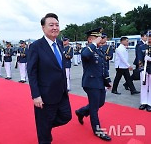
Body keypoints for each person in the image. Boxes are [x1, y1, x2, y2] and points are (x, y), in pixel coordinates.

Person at [27, 13, 72, 144]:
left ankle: (45, 127)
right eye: (51, 25)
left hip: (61, 92)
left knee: (66, 116)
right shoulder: (36, 46)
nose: (55, 27)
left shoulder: (59, 43)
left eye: (57, 25)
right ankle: (44, 131)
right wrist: (36, 95)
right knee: (44, 137)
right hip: (44, 95)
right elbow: (32, 72)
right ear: (43, 28)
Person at [75, 28, 112, 141]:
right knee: (94, 107)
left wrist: (107, 80)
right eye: (97, 37)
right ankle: (98, 130)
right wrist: (94, 43)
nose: (100, 39)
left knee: (100, 103)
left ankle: (80, 112)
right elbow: (85, 55)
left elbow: (103, 67)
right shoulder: (87, 50)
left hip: (100, 82)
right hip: (91, 83)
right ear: (90, 39)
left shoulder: (99, 51)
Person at [137, 31, 151, 112]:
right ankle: (144, 102)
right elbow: (139, 58)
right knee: (144, 86)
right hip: (144, 69)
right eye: (148, 36)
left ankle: (150, 103)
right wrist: (142, 69)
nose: (149, 38)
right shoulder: (142, 46)